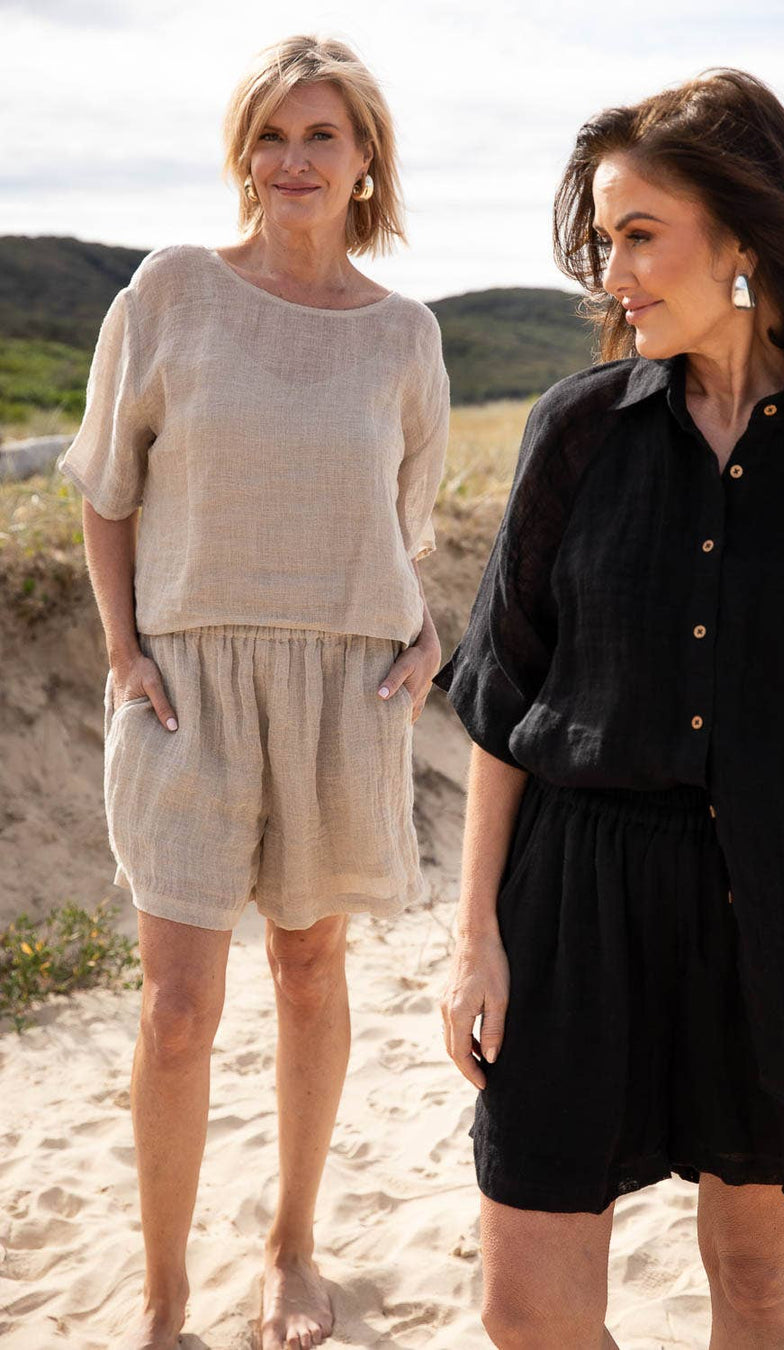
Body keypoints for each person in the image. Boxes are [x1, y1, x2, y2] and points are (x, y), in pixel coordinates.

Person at [433, 68, 784, 1349]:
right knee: (526, 1308)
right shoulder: (576, 431)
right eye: (604, 239)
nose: (614, 270)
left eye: (641, 234)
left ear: (745, 236)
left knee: (759, 1277)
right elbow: (501, 695)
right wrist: (475, 933)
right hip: (574, 904)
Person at [58, 33, 449, 1350]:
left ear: (364, 161)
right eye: (274, 134)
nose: (294, 159)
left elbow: (406, 525)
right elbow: (106, 489)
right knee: (177, 1012)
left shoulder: (407, 332)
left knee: (308, 966)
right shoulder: (171, 291)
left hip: (347, 691)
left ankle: (292, 1248)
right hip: (187, 687)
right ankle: (165, 1300)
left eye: (322, 135)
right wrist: (123, 652)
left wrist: (424, 637)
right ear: (245, 153)